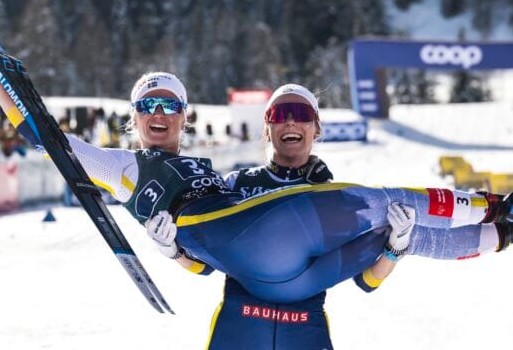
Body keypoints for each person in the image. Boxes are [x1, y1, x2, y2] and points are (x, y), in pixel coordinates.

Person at [0, 39, 513, 303]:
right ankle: (504, 202)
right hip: (232, 234)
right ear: (135, 118)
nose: (159, 114)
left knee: (394, 230)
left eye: (170, 104)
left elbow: (208, 262)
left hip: (272, 260)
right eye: (148, 106)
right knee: (378, 199)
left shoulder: (207, 166)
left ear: (185, 115)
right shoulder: (121, 165)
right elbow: (47, 137)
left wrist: (181, 257)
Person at [146, 84, 407, 350]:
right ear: (267, 128)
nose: (291, 121)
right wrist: (173, 250)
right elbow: (207, 265)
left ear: (316, 128)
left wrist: (395, 248)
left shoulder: (335, 199)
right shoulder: (237, 184)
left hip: (303, 334)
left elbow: (366, 281)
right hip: (239, 331)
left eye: (301, 113)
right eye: (280, 114)